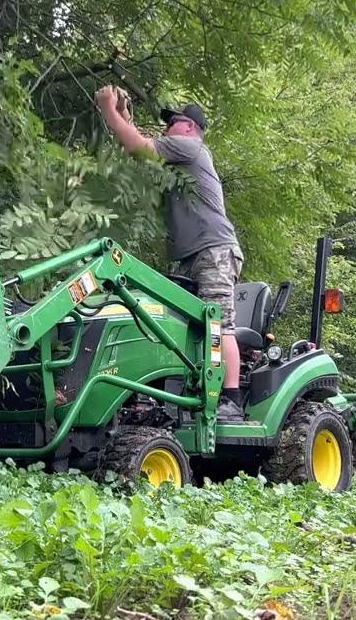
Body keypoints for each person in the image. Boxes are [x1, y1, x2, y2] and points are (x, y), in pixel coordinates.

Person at [95, 85, 245, 421]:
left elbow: (142, 147)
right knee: (182, 329)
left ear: (190, 128)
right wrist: (122, 118)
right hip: (190, 256)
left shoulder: (191, 149)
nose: (166, 129)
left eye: (172, 122)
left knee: (219, 325)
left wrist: (108, 109)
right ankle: (184, 396)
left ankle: (232, 399)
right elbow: (136, 151)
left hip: (214, 250)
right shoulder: (177, 162)